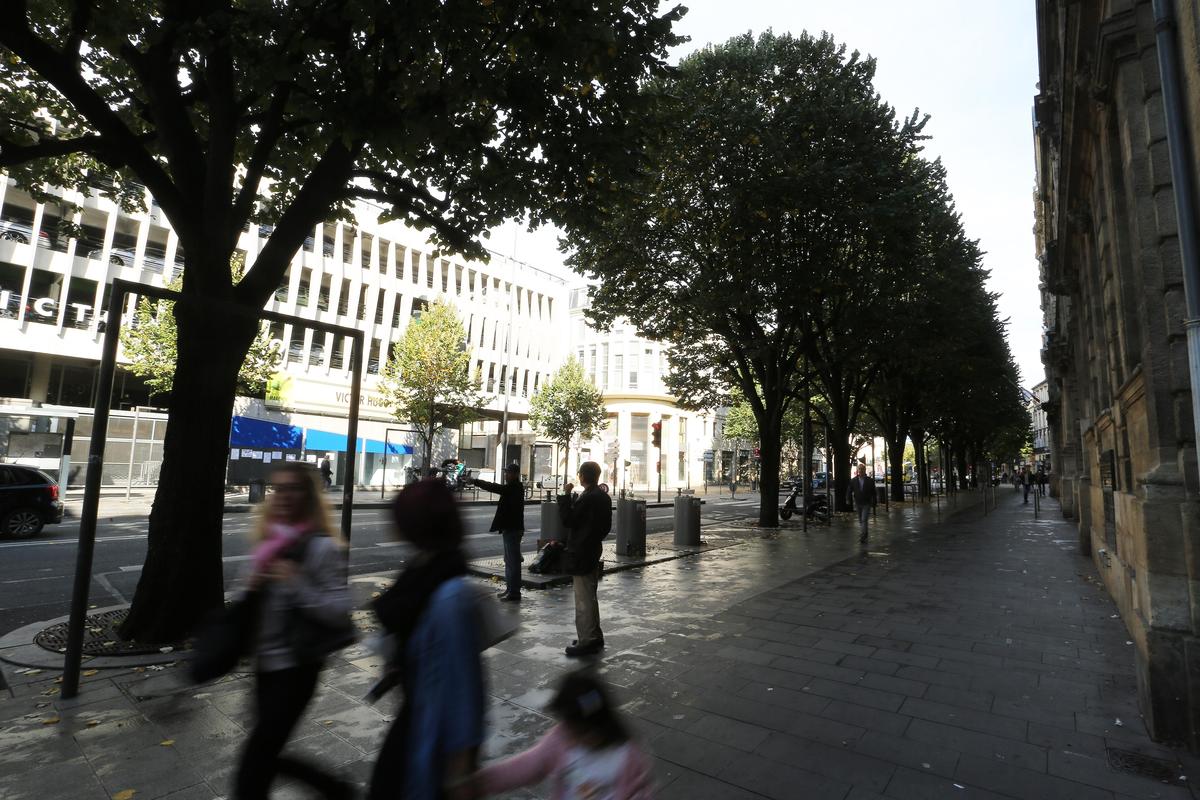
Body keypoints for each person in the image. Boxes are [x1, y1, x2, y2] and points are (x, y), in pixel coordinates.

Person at [235, 461, 355, 800]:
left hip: (297, 667)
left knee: (255, 762)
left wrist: (297, 583)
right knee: (266, 752)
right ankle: (336, 790)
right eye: (279, 489)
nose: (284, 496)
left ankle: (336, 790)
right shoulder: (270, 540)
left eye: (294, 489)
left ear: (309, 496)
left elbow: (339, 610)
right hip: (265, 666)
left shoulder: (321, 547)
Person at [369, 479, 484, 800]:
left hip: (431, 732)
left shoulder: (450, 595)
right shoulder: (423, 571)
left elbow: (465, 688)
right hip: (415, 713)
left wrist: (461, 769)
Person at [476, 670, 654, 799]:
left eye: (586, 732)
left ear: (604, 725)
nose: (576, 739)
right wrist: (477, 783)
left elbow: (639, 794)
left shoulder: (626, 756)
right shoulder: (561, 740)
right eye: (572, 731)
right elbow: (525, 767)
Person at [559, 461, 612, 658]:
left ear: (582, 476)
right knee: (590, 594)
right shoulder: (603, 496)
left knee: (583, 599)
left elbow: (568, 520)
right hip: (593, 548)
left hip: (581, 551)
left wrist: (565, 496)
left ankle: (587, 640)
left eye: (579, 473)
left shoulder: (588, 497)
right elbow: (605, 527)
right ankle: (594, 635)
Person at [470, 464, 526, 602]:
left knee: (512, 562)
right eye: (506, 472)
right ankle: (510, 589)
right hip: (509, 528)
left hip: (513, 529)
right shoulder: (512, 487)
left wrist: (475, 481)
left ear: (515, 474)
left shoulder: (515, 487)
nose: (506, 475)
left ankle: (514, 592)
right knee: (509, 561)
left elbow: (494, 487)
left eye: (508, 473)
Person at [847, 462, 875, 545]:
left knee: (864, 519)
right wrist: (848, 499)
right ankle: (865, 533)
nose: (861, 470)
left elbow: (873, 492)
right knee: (860, 520)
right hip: (858, 503)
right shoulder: (853, 480)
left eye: (862, 469)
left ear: (865, 470)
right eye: (859, 469)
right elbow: (849, 490)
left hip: (866, 503)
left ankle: (863, 536)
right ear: (858, 470)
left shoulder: (870, 480)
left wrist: (874, 502)